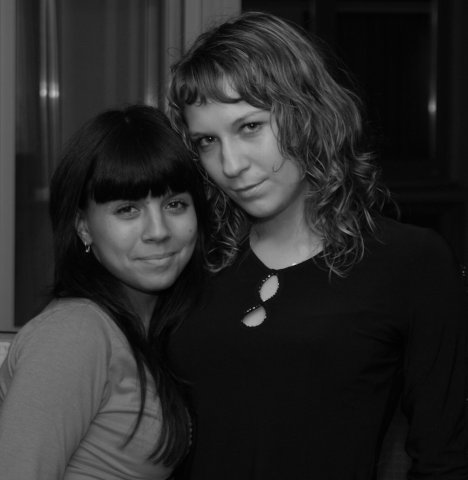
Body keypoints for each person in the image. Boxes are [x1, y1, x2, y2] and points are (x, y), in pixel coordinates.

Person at [166, 11, 468, 480]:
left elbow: (446, 458)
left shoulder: (410, 262)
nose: (230, 164)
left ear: (308, 114)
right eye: (207, 140)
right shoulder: (191, 260)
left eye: (250, 127)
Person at [0, 105, 207, 479]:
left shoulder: (152, 328)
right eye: (128, 209)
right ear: (83, 226)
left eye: (175, 204)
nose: (159, 231)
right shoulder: (74, 333)